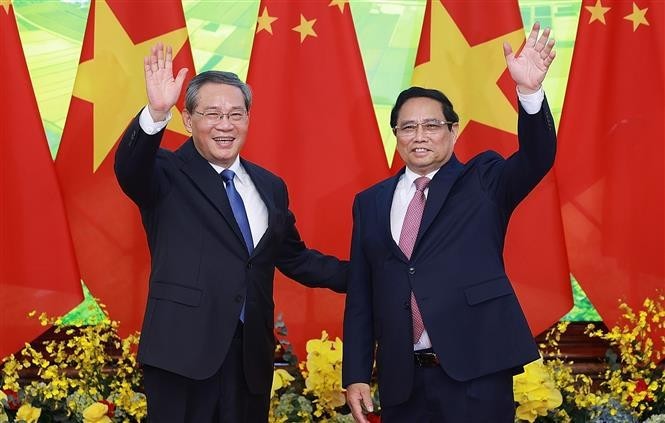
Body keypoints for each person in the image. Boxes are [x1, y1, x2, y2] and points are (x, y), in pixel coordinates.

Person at [114, 43, 347, 422]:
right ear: (187, 119)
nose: (225, 124)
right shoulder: (165, 173)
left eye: (236, 114)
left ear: (248, 120)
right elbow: (129, 167)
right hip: (181, 358)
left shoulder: (270, 186)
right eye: (212, 114)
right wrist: (156, 112)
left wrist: (367, 273)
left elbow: (295, 257)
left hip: (248, 361)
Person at [342, 23, 557, 423]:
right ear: (396, 136)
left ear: (453, 131)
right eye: (408, 127)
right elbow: (361, 294)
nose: (419, 135)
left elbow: (537, 158)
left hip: (477, 372)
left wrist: (529, 93)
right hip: (402, 382)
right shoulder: (370, 203)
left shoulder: (484, 179)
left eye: (432, 125)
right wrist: (355, 373)